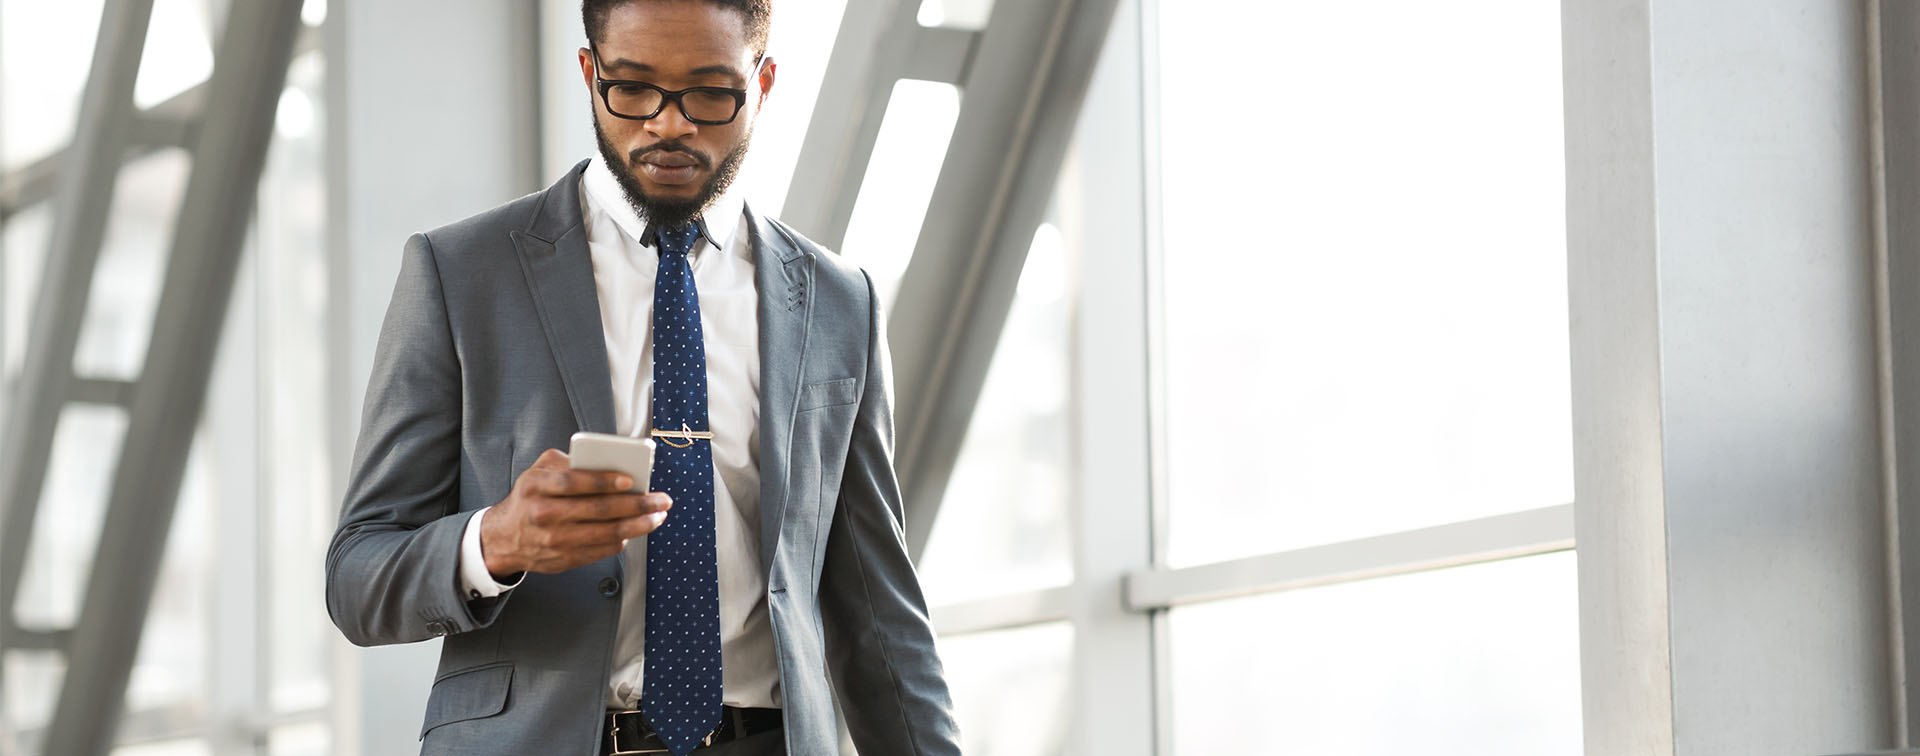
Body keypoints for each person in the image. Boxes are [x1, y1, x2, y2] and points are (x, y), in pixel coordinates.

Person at [324, 1, 963, 754]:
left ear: (763, 84)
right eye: (633, 89)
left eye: (710, 94)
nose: (668, 124)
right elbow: (357, 579)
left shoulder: (837, 301)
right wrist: (494, 541)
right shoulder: (463, 274)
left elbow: (880, 611)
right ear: (591, 73)